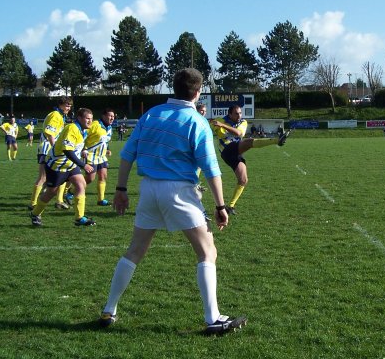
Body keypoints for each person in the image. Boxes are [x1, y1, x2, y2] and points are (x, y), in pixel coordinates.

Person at [98, 68, 247, 335]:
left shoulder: (151, 114)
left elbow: (127, 154)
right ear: (198, 92)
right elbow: (211, 168)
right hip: (179, 192)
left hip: (148, 189)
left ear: (173, 87)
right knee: (207, 252)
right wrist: (220, 206)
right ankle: (213, 318)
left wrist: (120, 189)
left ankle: (109, 309)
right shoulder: (197, 121)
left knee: (135, 250)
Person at [210, 104, 290, 215]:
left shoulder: (243, 122)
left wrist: (222, 126)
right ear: (229, 114)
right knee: (249, 142)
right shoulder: (219, 120)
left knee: (243, 180)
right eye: (236, 114)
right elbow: (211, 128)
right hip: (226, 150)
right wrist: (215, 125)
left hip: (236, 150)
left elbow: (239, 133)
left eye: (240, 113)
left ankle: (230, 207)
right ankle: (277, 140)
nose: (239, 115)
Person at [30, 108, 95, 227]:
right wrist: (83, 164)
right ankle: (35, 213)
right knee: (51, 193)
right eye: (87, 118)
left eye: (91, 118)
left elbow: (76, 146)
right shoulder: (72, 128)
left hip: (70, 165)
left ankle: (79, 218)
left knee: (81, 185)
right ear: (79, 118)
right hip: (58, 166)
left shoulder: (82, 130)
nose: (90, 121)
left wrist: (83, 150)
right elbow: (67, 150)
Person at [29, 97, 73, 211]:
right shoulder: (55, 115)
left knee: (62, 175)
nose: (69, 108)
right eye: (67, 105)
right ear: (60, 105)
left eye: (70, 105)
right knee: (43, 177)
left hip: (52, 150)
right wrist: (55, 148)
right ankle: (33, 203)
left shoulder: (60, 116)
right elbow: (49, 133)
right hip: (47, 150)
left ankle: (59, 201)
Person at [80, 108, 115, 206]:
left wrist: (107, 149)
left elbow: (105, 141)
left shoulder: (109, 128)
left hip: (101, 156)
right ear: (103, 116)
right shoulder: (95, 125)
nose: (112, 118)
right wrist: (83, 149)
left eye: (113, 116)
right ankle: (71, 191)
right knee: (90, 178)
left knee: (103, 176)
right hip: (90, 155)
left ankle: (101, 200)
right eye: (110, 116)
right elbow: (82, 136)